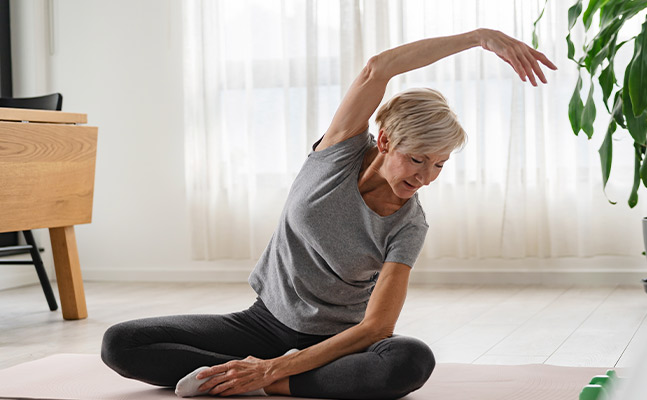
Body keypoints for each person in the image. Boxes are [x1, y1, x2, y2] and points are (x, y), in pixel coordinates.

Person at [101, 28, 555, 399]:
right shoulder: (336, 153)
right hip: (261, 323)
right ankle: (257, 375)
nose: (426, 177)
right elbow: (379, 68)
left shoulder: (408, 224)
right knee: (121, 343)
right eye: (418, 159)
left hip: (335, 344)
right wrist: (480, 38)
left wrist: (281, 366)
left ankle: (272, 381)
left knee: (410, 360)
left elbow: (378, 326)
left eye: (440, 165)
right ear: (385, 143)